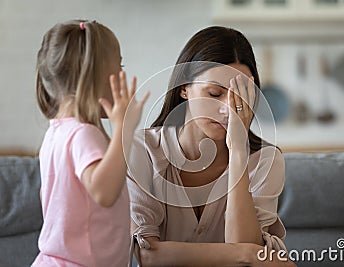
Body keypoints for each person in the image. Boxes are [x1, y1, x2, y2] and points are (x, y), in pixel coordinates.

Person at [127, 26, 295, 266]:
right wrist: (245, 253)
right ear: (184, 88)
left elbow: (246, 256)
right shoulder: (142, 150)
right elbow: (148, 255)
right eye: (214, 93)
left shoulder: (265, 160)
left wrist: (238, 150)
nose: (227, 109)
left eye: (240, 97)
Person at [32, 19, 149, 267]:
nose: (122, 75)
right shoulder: (84, 134)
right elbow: (104, 193)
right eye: (119, 66)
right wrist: (124, 130)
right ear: (94, 75)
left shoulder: (56, 133)